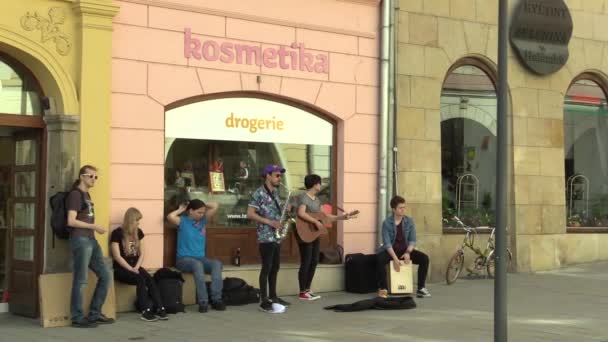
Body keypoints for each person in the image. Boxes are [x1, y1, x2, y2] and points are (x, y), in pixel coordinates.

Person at [67, 165, 114, 328]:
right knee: (81, 279)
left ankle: (94, 313)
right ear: (82, 177)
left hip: (91, 240)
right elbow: (71, 221)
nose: (94, 179)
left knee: (106, 275)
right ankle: (77, 317)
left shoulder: (87, 194)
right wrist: (94, 227)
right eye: (91, 176)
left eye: (96, 177)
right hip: (81, 240)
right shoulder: (75, 194)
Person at [295, 174, 352, 301]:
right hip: (305, 232)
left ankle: (308, 289)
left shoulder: (317, 200)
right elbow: (301, 213)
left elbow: (325, 216)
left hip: (314, 233)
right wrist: (315, 221)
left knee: (314, 260)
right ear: (315, 184)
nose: (320, 185)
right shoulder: (303, 197)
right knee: (306, 261)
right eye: (319, 183)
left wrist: (342, 217)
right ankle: (302, 291)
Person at [166, 199, 226, 313]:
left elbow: (215, 205)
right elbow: (170, 217)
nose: (202, 215)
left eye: (203, 212)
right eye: (199, 212)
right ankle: (203, 301)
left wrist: (202, 204)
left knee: (217, 264)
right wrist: (181, 209)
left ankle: (216, 299)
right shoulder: (182, 221)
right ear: (191, 211)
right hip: (183, 259)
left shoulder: (203, 220)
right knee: (197, 265)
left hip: (200, 258)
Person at [246, 164, 291, 313]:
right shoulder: (258, 193)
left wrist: (286, 208)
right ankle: (264, 300)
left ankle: (273, 296)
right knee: (266, 268)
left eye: (280, 175)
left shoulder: (276, 192)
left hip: (276, 236)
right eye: (277, 175)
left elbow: (275, 210)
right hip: (266, 235)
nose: (280, 178)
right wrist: (270, 222)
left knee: (275, 267)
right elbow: (250, 214)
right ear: (268, 176)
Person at [110, 208, 167, 322]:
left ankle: (161, 308)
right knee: (140, 279)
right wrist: (131, 269)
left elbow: (142, 252)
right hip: (121, 268)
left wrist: (136, 267)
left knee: (150, 279)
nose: (138, 223)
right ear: (130, 220)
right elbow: (117, 256)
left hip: (135, 267)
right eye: (137, 220)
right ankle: (145, 311)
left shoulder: (139, 232)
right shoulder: (117, 234)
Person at [376, 195, 431, 299]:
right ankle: (383, 289)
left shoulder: (409, 221)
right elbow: (387, 244)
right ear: (393, 209)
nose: (403, 210)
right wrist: (395, 259)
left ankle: (421, 288)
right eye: (400, 208)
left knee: (424, 258)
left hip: (404, 250)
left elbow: (412, 240)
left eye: (404, 207)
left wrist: (408, 252)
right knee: (379, 259)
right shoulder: (387, 223)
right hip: (391, 251)